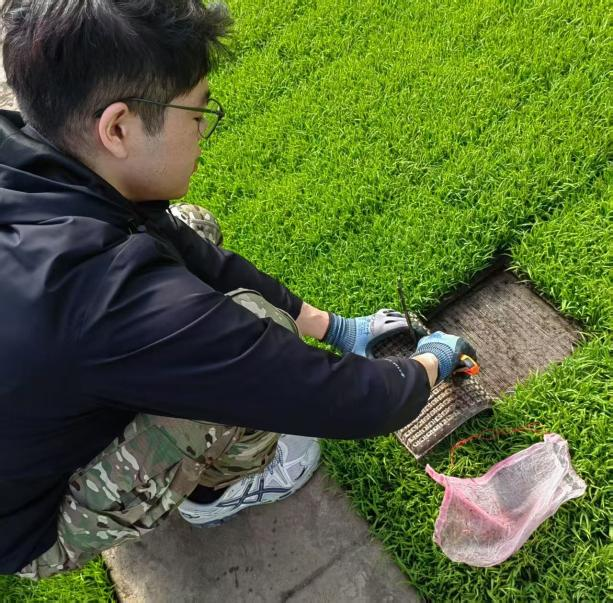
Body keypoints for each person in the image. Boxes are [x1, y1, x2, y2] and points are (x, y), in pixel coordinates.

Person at [0, 0, 477, 580]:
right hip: (27, 526)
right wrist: (430, 363)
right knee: (255, 327)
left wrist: (337, 329)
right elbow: (351, 400)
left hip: (33, 398)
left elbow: (183, 244)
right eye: (196, 113)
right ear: (118, 128)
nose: (203, 131)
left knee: (188, 225)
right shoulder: (112, 298)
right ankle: (213, 495)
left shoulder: (25, 151)